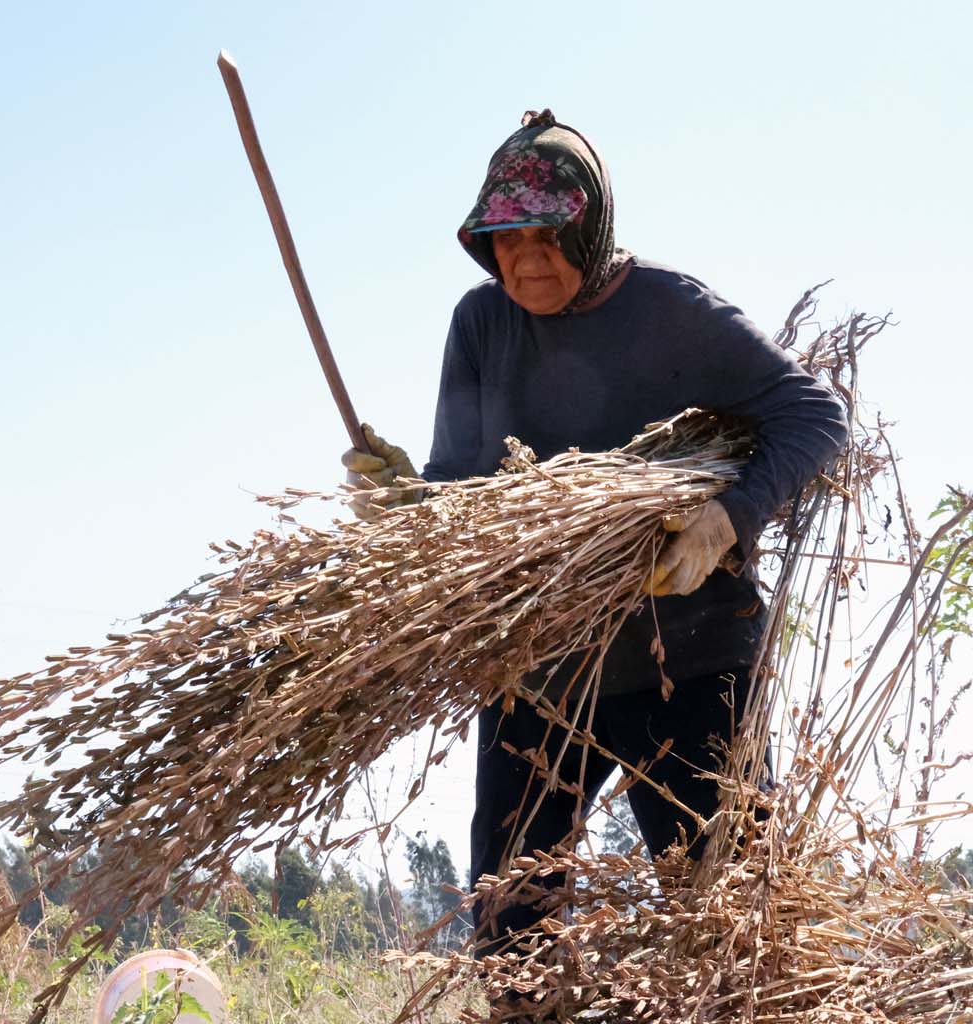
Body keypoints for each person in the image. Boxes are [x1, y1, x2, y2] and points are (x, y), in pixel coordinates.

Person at [340, 110, 848, 967]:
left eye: (549, 234)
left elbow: (814, 416)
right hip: (537, 675)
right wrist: (407, 505)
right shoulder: (482, 326)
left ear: (593, 225)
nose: (527, 258)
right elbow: (465, 489)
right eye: (506, 239)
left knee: (727, 925)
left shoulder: (668, 310)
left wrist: (728, 518)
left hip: (686, 661)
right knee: (512, 933)